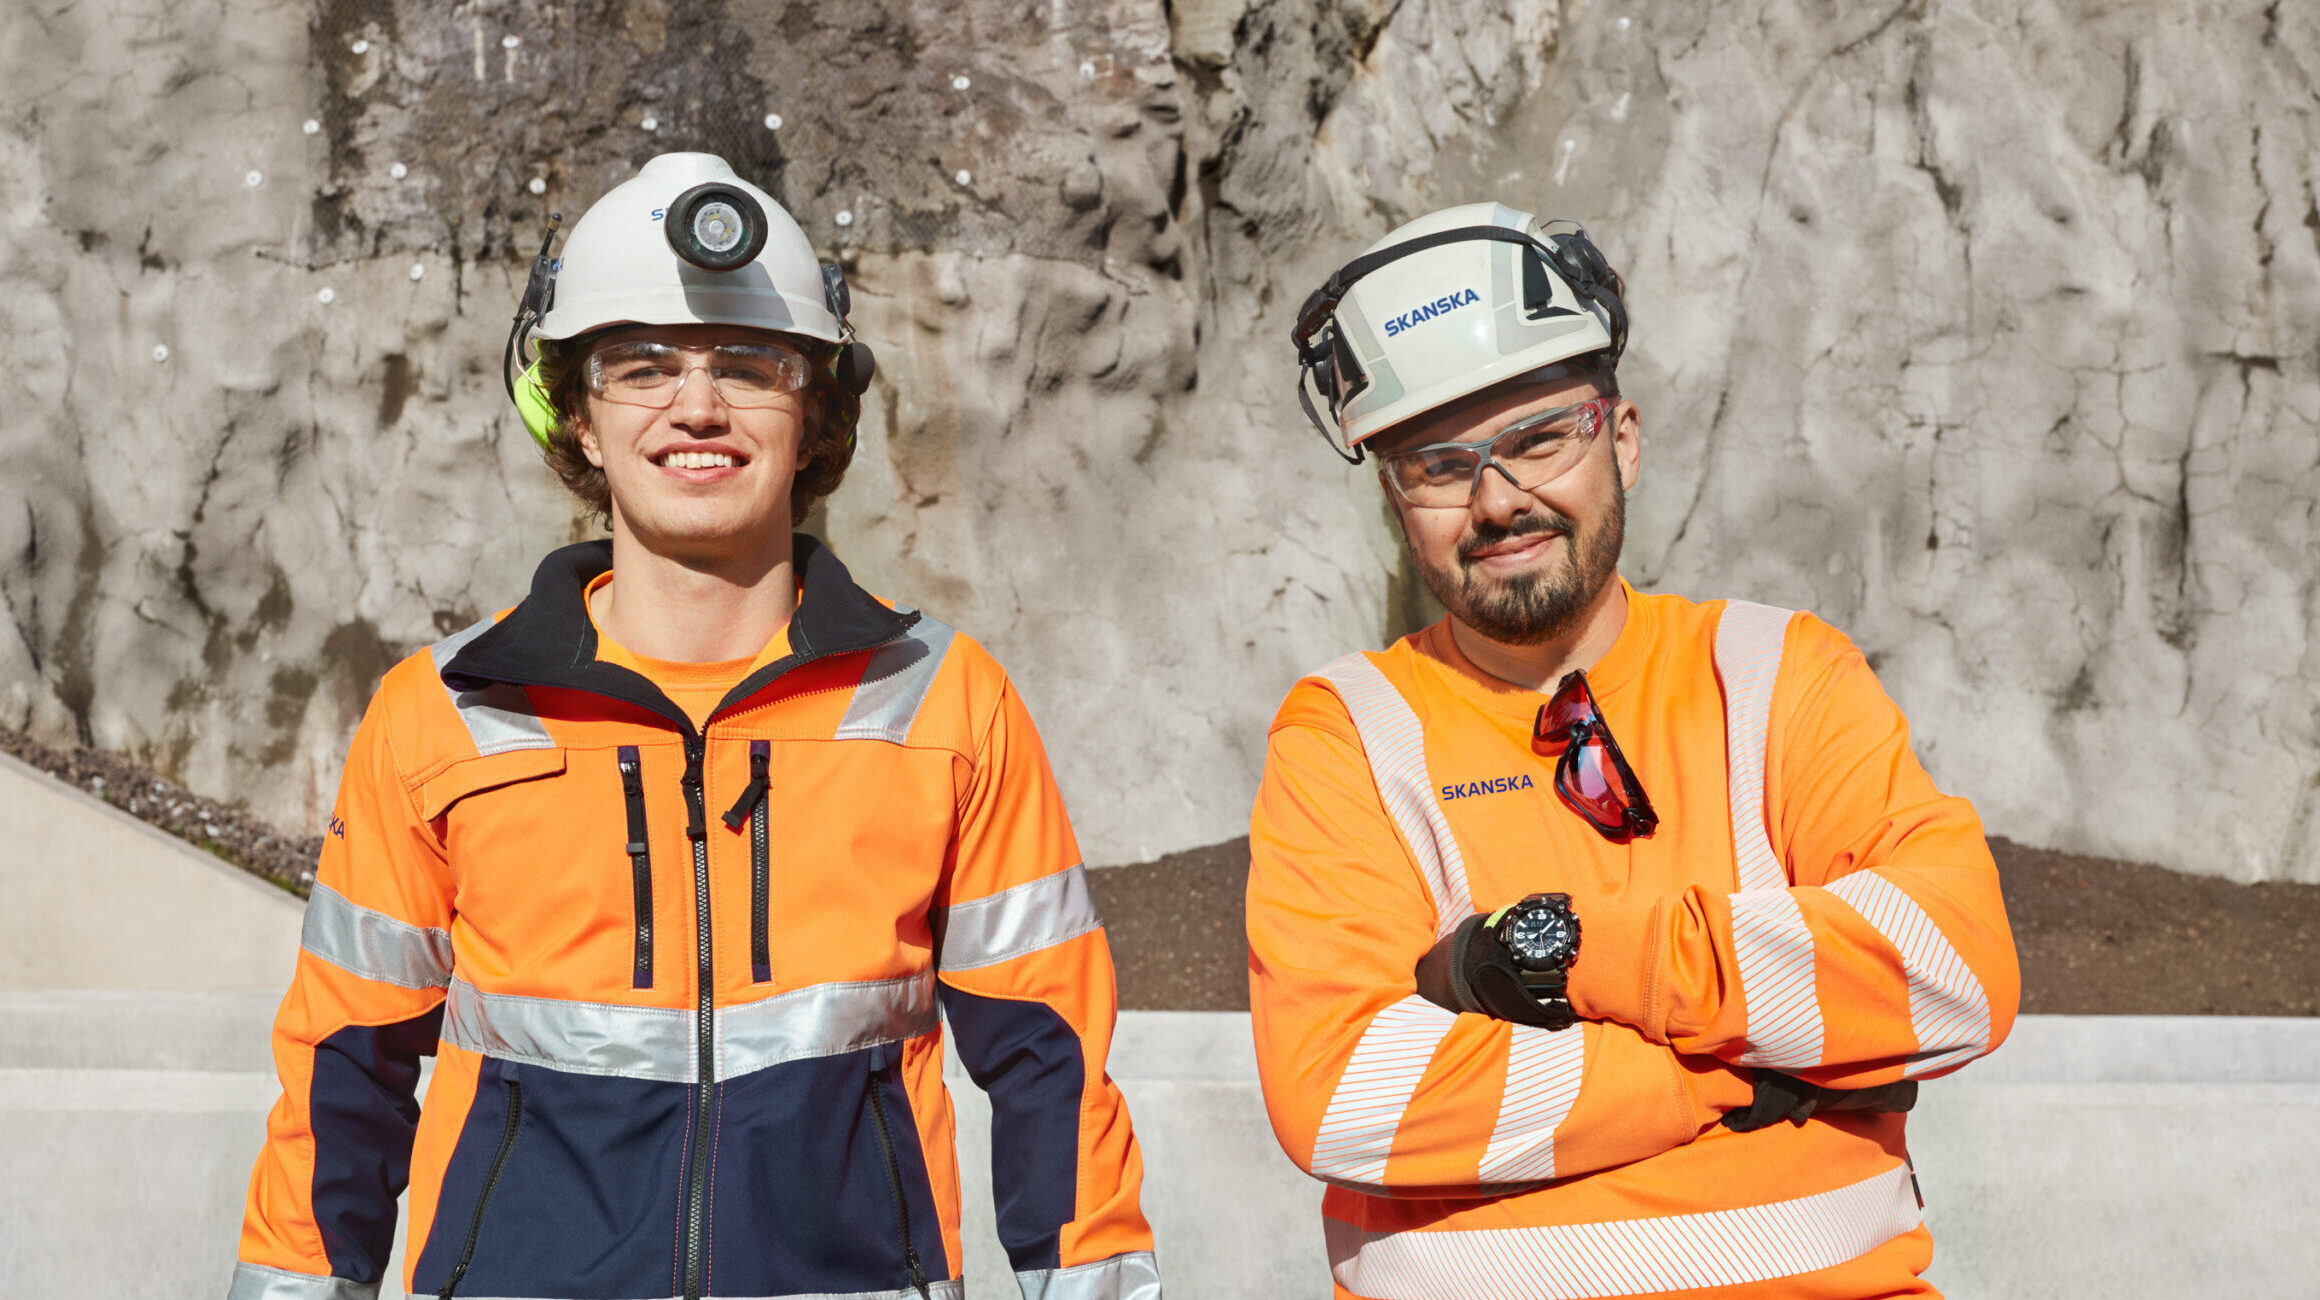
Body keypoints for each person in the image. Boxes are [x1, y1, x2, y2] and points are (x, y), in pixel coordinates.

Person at [228, 152, 1162, 1300]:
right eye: (643, 365)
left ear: (814, 408)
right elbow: (342, 1074)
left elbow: (1052, 1070)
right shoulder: (445, 714)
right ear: (571, 410)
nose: (698, 406)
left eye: (748, 365)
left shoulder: (944, 700)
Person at [1246, 202, 2020, 1299]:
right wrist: (1743, 1074)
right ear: (1392, 497)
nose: (1498, 499)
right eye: (1438, 463)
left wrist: (1572, 956)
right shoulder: (1346, 736)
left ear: (1622, 437)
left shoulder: (1776, 672)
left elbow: (1950, 971)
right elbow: (1347, 1098)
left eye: (1538, 438)